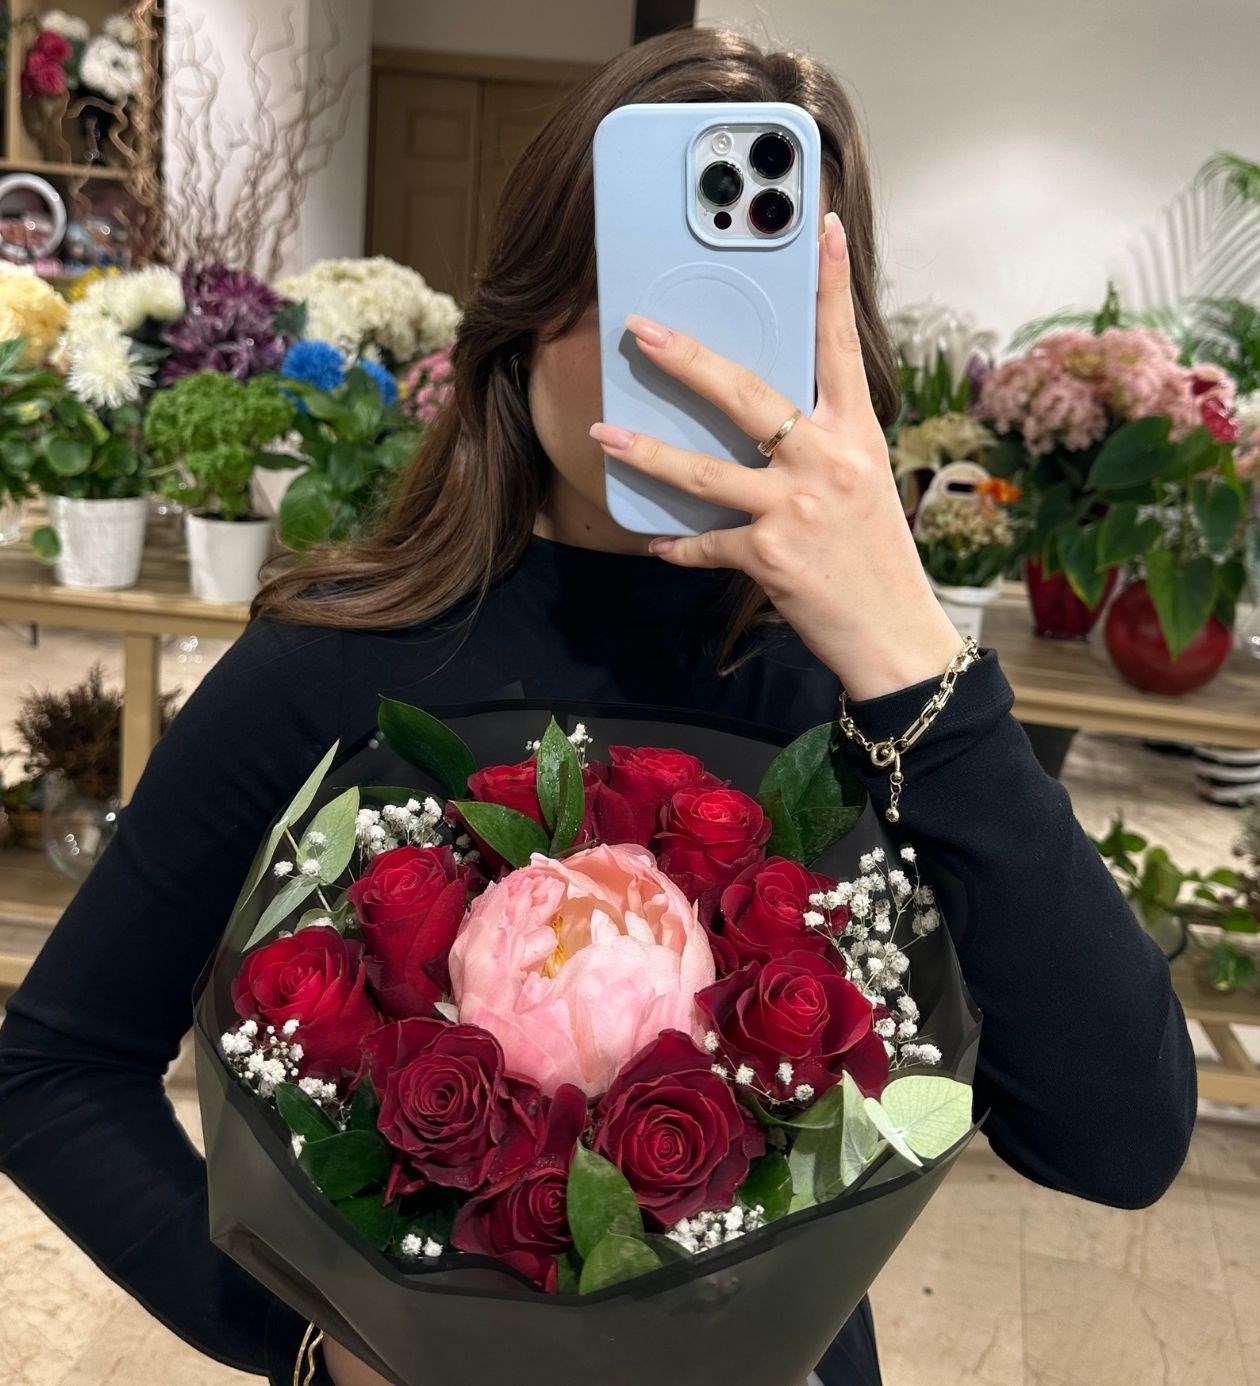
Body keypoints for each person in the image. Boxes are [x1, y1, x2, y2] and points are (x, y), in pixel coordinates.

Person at [0, 28, 1195, 1386]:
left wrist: (914, 657)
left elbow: (1120, 1139)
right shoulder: (333, 663)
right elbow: (54, 1072)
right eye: (638, 276)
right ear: (525, 310)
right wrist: (318, 1342)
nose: (681, 348)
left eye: (747, 300)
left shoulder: (870, 694)